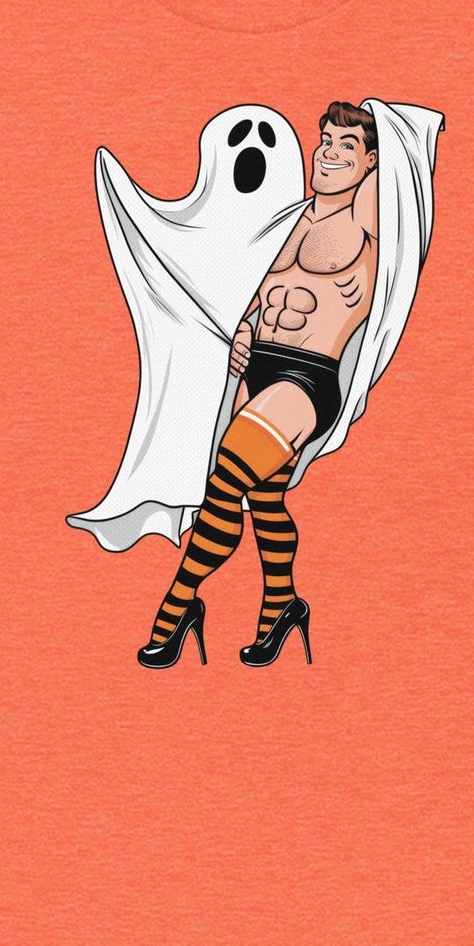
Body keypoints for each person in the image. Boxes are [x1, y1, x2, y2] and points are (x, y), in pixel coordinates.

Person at [138, 102, 380, 669]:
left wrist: (375, 123)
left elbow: (406, 146)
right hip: (258, 370)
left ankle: (176, 610)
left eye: (347, 146)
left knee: (225, 479)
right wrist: (246, 327)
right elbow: (259, 292)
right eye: (326, 140)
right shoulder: (288, 220)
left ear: (371, 163)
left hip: (306, 379)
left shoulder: (369, 221)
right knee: (264, 498)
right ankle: (283, 607)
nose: (329, 152)